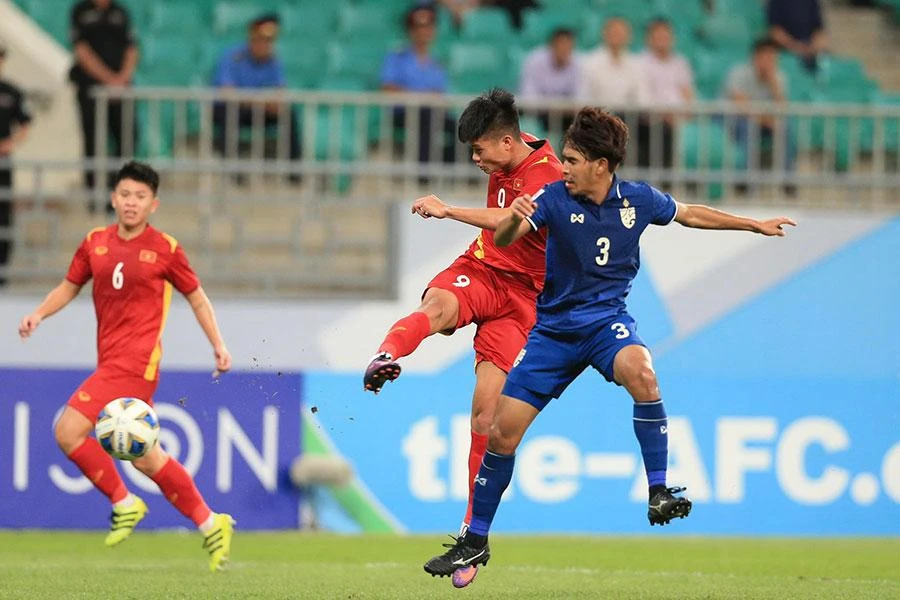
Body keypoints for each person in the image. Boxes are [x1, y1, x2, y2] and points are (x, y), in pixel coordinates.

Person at [423, 107, 796, 579]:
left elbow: (690, 214)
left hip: (605, 324)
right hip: (554, 332)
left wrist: (752, 224)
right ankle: (475, 541)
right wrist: (515, 217)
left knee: (642, 371)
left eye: (573, 160)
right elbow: (511, 233)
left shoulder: (637, 200)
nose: (564, 168)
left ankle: (659, 490)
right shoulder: (553, 198)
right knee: (500, 432)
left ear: (601, 165)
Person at [363, 89, 562, 588]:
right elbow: (497, 232)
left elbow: (512, 222)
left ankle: (473, 538)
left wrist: (448, 210)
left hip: (525, 301)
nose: (476, 161)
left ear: (507, 141)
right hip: (482, 269)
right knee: (435, 307)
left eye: (480, 151)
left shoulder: (547, 175)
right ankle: (386, 355)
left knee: (487, 415)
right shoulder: (506, 158)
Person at [17, 161, 236, 572]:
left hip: (137, 363)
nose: (130, 203)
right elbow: (69, 286)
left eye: (139, 197)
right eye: (124, 195)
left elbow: (197, 297)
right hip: (110, 359)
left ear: (153, 204)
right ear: (113, 198)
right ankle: (211, 524)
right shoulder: (94, 242)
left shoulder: (167, 248)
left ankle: (124, 502)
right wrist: (39, 314)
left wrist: (218, 345)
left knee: (68, 430)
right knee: (145, 458)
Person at [212, 13, 301, 179]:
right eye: (261, 39)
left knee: (288, 113)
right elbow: (226, 92)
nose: (265, 44)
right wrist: (258, 100)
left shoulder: (273, 61)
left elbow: (280, 92)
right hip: (235, 109)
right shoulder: (233, 57)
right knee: (227, 114)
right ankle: (233, 171)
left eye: (269, 40)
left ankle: (294, 172)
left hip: (257, 109)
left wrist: (270, 103)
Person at [69, 0, 139, 213]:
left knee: (126, 138)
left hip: (120, 90)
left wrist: (122, 80)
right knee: (92, 141)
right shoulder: (81, 11)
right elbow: (82, 51)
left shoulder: (120, 12)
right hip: (91, 88)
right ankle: (93, 198)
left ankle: (117, 194)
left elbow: (132, 48)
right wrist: (108, 80)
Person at [381, 5, 455, 166]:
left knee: (460, 128)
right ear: (410, 29)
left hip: (432, 112)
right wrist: (421, 97)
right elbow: (389, 88)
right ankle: (422, 174)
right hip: (404, 113)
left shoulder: (437, 61)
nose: (424, 30)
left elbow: (439, 93)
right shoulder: (397, 57)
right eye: (419, 25)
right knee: (425, 120)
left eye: (429, 24)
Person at [724, 38, 796, 195]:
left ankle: (788, 180)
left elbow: (782, 108)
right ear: (756, 57)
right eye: (766, 57)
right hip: (735, 121)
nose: (770, 62)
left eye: (773, 58)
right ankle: (745, 181)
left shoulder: (778, 77)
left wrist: (774, 85)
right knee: (749, 128)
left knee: (786, 127)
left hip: (764, 122)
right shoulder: (739, 72)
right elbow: (741, 106)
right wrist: (766, 120)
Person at [638, 19, 695, 172]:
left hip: (679, 117)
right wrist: (665, 115)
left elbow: (688, 94)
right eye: (657, 36)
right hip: (654, 120)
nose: (662, 40)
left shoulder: (680, 62)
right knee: (661, 132)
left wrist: (682, 114)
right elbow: (643, 97)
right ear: (649, 38)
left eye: (665, 35)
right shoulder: (641, 63)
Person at [0, 42, 32, 287]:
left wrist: (9, 144)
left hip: (3, 163)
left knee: (3, 214)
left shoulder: (11, 92)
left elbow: (25, 124)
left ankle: (2, 270)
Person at [519, 27, 579, 133]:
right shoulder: (534, 60)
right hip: (538, 115)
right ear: (552, 45)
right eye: (561, 44)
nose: (564, 49)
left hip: (567, 117)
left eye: (568, 45)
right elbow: (529, 97)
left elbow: (580, 98)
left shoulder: (578, 63)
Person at [767, 0, 827, 73]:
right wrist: (796, 47)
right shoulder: (776, 2)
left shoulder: (811, 2)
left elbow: (819, 31)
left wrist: (814, 47)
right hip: (786, 51)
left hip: (810, 49)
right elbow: (775, 32)